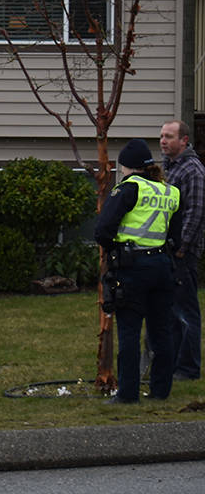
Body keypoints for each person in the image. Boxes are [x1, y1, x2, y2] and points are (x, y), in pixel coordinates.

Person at [94, 139, 182, 403]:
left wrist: (115, 251)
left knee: (130, 331)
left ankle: (128, 394)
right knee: (161, 331)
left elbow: (102, 230)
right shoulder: (171, 192)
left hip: (133, 267)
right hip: (162, 267)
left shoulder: (129, 188)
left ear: (124, 167)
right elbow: (174, 235)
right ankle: (160, 390)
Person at [160, 119, 205, 380]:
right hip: (168, 250)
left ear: (184, 141)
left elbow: (196, 211)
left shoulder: (192, 171)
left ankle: (188, 367)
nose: (163, 141)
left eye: (169, 136)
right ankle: (174, 362)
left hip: (183, 253)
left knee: (186, 311)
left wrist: (181, 247)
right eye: (162, 136)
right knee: (170, 311)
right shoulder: (169, 168)